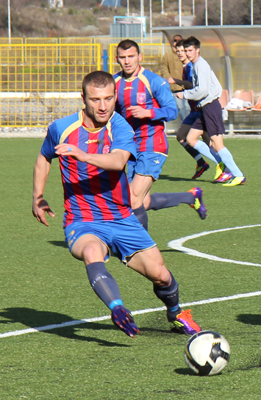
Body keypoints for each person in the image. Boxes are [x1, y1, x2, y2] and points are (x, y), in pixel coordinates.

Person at [32, 71, 202, 338]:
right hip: (82, 220)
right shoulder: (61, 128)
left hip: (122, 218)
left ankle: (176, 313)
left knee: (161, 276)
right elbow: (44, 157)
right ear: (83, 98)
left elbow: (117, 161)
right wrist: (37, 196)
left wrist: (81, 154)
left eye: (109, 99)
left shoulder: (120, 126)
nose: (102, 106)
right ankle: (118, 308)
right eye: (95, 99)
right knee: (91, 252)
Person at [113, 39, 207, 231]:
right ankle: (190, 196)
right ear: (117, 59)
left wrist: (149, 113)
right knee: (141, 201)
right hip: (129, 148)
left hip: (152, 144)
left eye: (131, 56)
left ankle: (142, 250)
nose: (127, 61)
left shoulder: (154, 81)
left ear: (140, 57)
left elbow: (172, 111)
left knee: (133, 198)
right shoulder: (114, 83)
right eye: (123, 58)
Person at [177, 36, 245, 186]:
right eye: (185, 50)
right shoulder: (195, 65)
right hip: (203, 107)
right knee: (191, 139)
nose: (187, 53)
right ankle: (221, 165)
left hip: (210, 106)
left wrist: (185, 94)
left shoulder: (200, 65)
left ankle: (238, 174)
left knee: (217, 143)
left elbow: (202, 90)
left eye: (190, 50)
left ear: (197, 50)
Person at [168, 39, 211, 180]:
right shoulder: (187, 66)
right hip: (194, 111)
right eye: (178, 51)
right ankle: (201, 162)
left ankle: (225, 167)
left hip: (200, 110)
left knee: (210, 142)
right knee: (181, 136)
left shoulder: (191, 67)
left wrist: (176, 82)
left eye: (183, 51)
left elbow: (192, 85)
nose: (180, 54)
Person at [159, 34, 191, 122]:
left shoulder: (186, 56)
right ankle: (187, 125)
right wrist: (168, 78)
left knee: (188, 107)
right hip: (175, 88)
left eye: (179, 41)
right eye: (175, 40)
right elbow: (163, 67)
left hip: (187, 87)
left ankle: (189, 126)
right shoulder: (168, 55)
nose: (176, 42)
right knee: (181, 108)